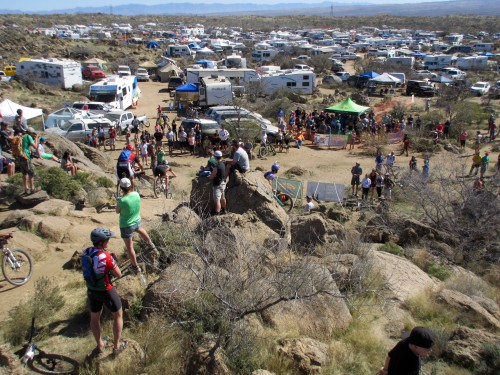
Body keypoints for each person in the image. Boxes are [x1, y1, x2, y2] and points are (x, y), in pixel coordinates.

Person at [85, 228, 124, 357]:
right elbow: (119, 274)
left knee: (94, 318)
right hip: (106, 290)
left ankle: (100, 344)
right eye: (107, 240)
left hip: (91, 289)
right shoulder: (105, 257)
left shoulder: (86, 252)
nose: (108, 241)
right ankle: (117, 346)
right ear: (101, 242)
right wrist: (113, 262)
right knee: (118, 315)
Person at [115, 178, 156, 273]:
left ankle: (135, 266)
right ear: (130, 186)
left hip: (126, 225)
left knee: (130, 248)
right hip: (136, 220)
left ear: (121, 188)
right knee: (140, 229)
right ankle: (151, 244)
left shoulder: (122, 201)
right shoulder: (136, 194)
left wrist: (118, 201)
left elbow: (117, 211)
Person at [208, 150, 226, 215]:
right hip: (223, 183)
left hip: (217, 184)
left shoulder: (217, 166)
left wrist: (210, 176)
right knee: (223, 198)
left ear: (215, 157)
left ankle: (217, 213)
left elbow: (211, 177)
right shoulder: (223, 164)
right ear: (221, 156)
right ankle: (224, 210)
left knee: (217, 200)